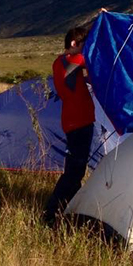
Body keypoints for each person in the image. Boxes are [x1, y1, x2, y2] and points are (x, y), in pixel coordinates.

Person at [42, 25, 95, 226]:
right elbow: (92, 56)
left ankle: (67, 210)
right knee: (74, 173)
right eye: (82, 45)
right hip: (79, 123)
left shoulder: (60, 62)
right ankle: (51, 213)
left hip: (73, 121)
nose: (84, 50)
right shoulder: (75, 60)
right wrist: (101, 23)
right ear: (74, 44)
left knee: (75, 170)